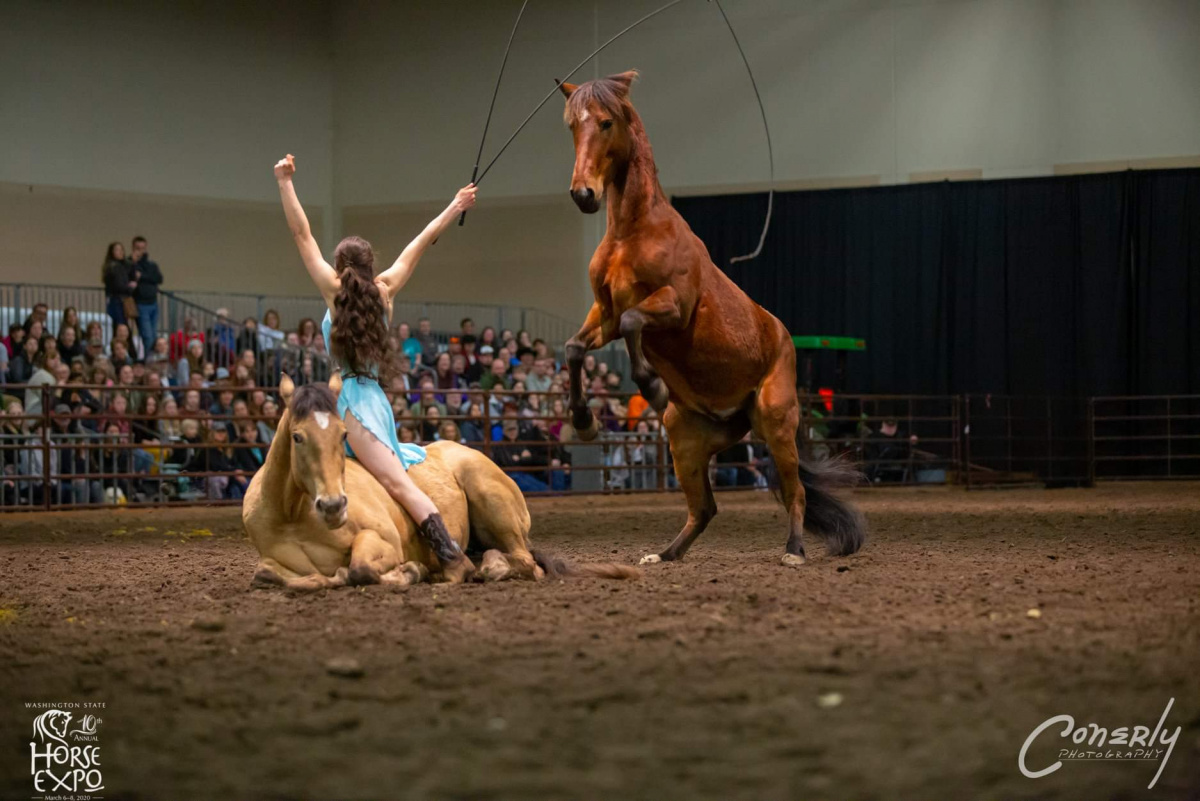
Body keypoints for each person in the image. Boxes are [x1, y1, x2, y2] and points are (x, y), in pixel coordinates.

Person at [274, 152, 477, 580]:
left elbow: (301, 234)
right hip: (377, 401)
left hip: (350, 403)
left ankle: (452, 555)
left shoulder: (335, 293)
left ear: (339, 267)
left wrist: (285, 182)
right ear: (371, 265)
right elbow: (421, 241)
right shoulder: (386, 290)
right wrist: (455, 205)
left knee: (397, 484)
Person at [129, 236, 162, 355]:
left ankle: (154, 358)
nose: (140, 251)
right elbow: (131, 277)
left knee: (154, 335)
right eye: (137, 248)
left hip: (153, 302)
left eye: (142, 248)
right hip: (140, 303)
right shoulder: (130, 263)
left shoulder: (151, 264)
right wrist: (133, 263)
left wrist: (142, 277)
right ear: (133, 248)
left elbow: (158, 278)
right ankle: (150, 360)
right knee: (147, 336)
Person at [101, 242, 136, 329]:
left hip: (118, 299)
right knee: (121, 325)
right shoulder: (114, 267)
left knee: (120, 325)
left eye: (122, 250)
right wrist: (130, 288)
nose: (120, 252)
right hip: (117, 300)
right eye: (117, 250)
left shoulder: (119, 265)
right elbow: (119, 285)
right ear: (112, 252)